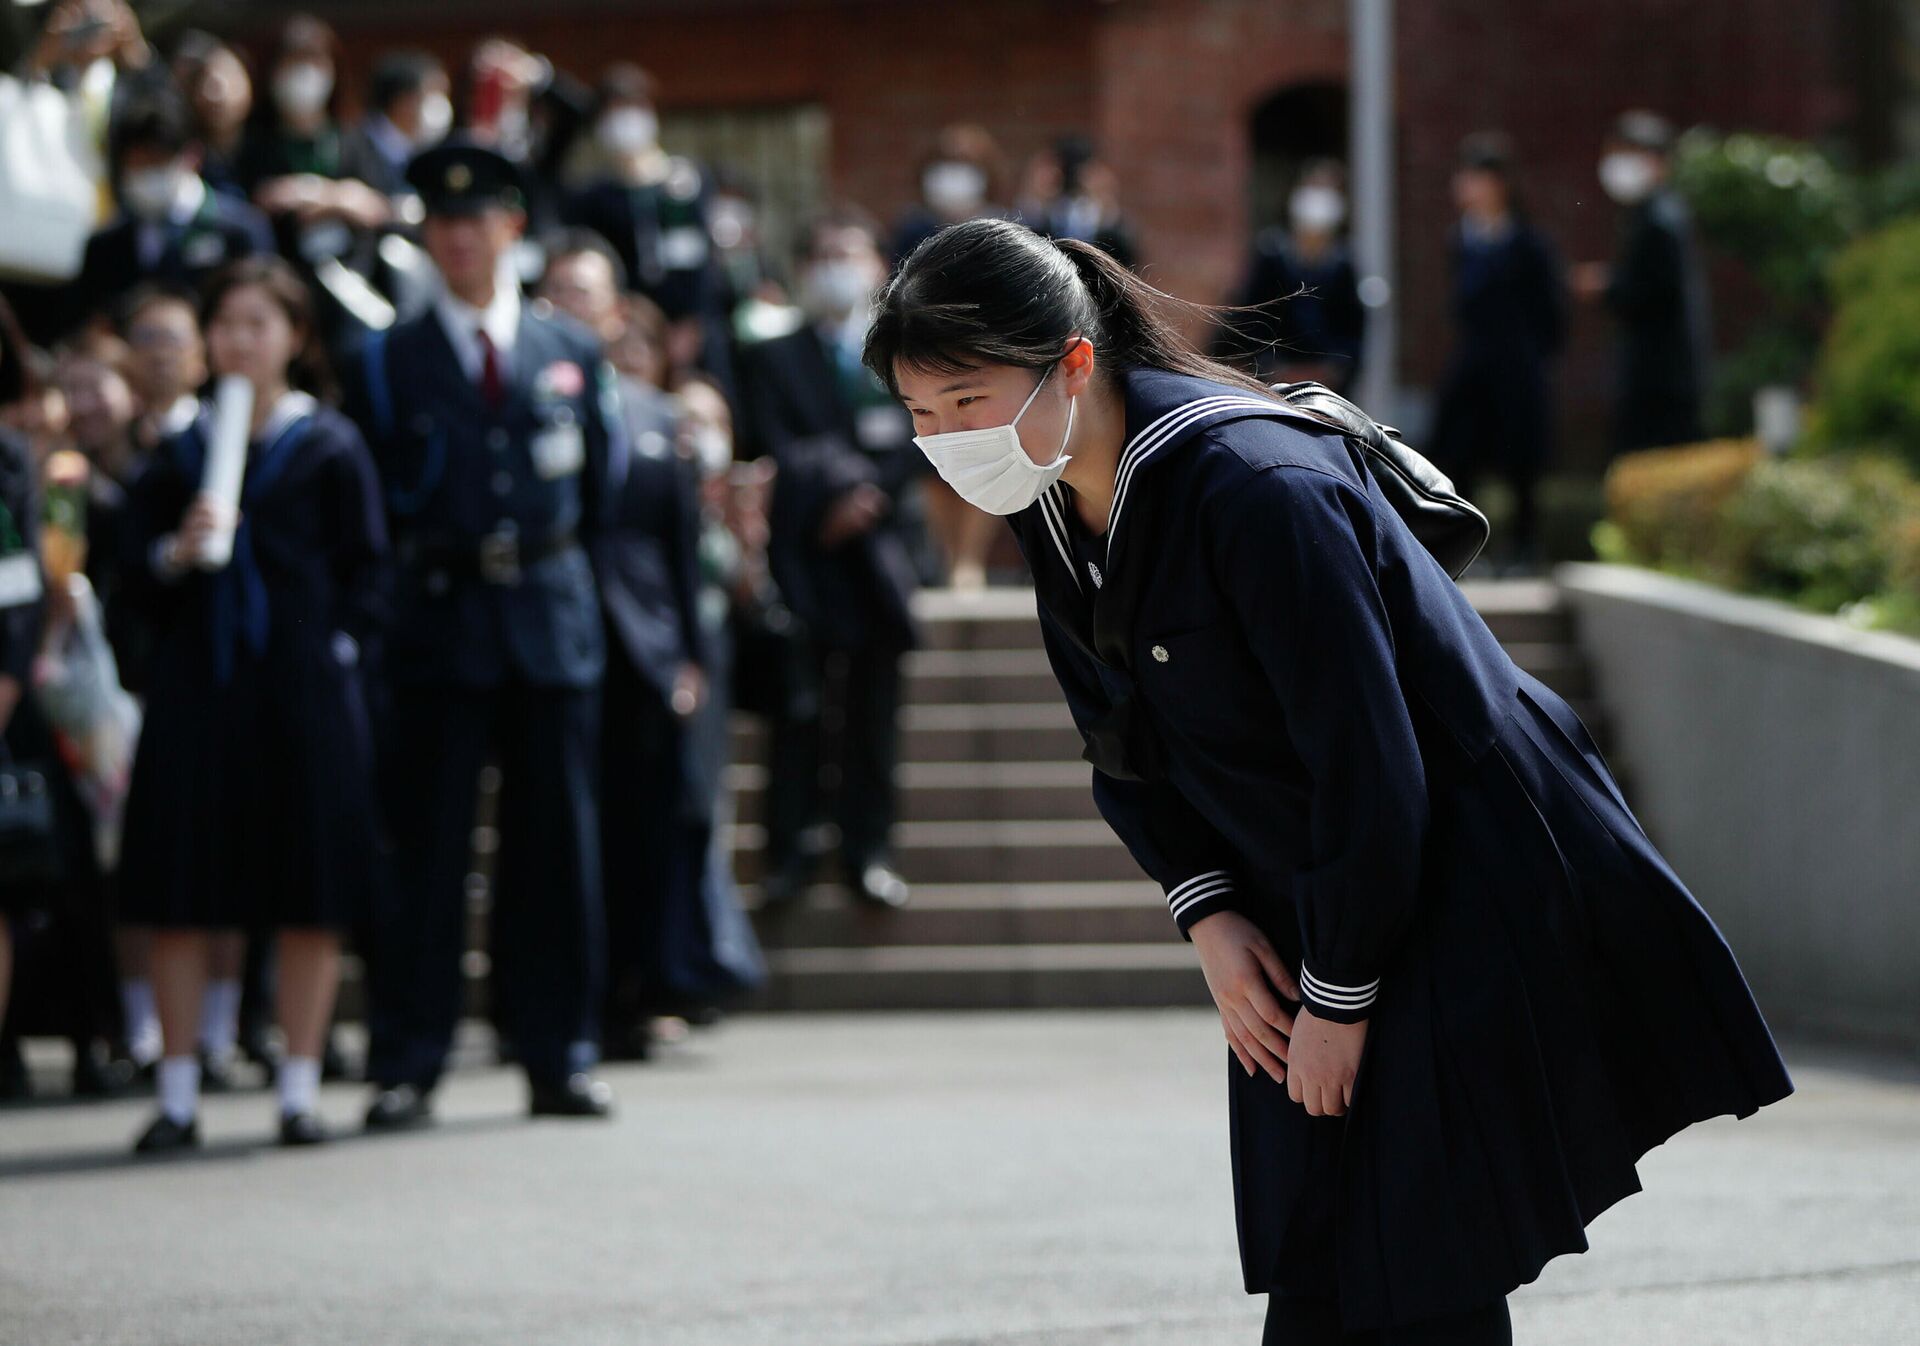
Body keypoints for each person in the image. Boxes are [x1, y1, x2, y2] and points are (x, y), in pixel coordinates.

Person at [864, 218, 1795, 1344]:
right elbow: (1115, 740)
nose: (947, 439)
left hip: (1452, 877)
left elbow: (1373, 760)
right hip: (1307, 889)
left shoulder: (1257, 487)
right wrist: (1206, 910)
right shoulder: (1055, 497)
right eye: (921, 414)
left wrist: (1343, 992)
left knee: (1420, 1259)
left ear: (1072, 361)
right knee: (1328, 1248)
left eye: (967, 401)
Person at [347, 138, 624, 1128]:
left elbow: (600, 490)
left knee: (557, 848)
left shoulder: (570, 350)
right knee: (426, 850)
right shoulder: (386, 358)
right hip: (438, 617)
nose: (459, 236)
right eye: (441, 220)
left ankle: (558, 1049)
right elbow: (377, 501)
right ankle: (410, 1054)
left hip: (548, 613)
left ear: (512, 226)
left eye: (477, 218)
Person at [117, 256, 387, 1152]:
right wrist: (172, 551)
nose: (239, 340)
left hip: (303, 693)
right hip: (201, 688)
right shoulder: (178, 449)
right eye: (224, 324)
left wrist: (336, 652)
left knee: (308, 890)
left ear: (295, 339)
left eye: (258, 324)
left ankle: (300, 1087)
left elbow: (367, 572)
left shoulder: (328, 445)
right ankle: (182, 1091)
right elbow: (130, 583)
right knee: (185, 891)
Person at [736, 206, 924, 912]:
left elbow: (923, 431)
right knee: (798, 713)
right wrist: (834, 495)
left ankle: (867, 851)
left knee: (875, 714)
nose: (835, 266)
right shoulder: (769, 355)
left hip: (881, 557)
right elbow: (771, 441)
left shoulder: (904, 350)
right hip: (805, 553)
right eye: (822, 253)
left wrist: (868, 494)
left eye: (849, 250)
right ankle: (788, 853)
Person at [1426, 133, 1567, 578]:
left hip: (1517, 365)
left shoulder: (1528, 242)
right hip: (1473, 362)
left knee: (1520, 460)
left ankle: (1524, 547)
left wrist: (1530, 357)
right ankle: (1469, 547)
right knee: (1459, 452)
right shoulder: (1462, 240)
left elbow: (1551, 314)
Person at [64, 92, 273, 339]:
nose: (146, 175)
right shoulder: (105, 246)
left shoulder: (242, 230)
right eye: (136, 165)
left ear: (192, 156)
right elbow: (91, 325)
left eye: (157, 162)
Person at [1571, 109, 1712, 454]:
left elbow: (1651, 293)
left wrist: (1607, 287)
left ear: (1655, 161)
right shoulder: (1655, 213)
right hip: (1665, 372)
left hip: (1660, 377)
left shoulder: (1658, 220)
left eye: (1624, 154)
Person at [1213, 158, 1366, 395]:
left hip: (1327, 384)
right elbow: (1250, 317)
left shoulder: (1343, 265)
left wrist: (1332, 369)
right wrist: (1269, 366)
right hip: (1274, 376)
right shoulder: (1272, 255)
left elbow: (1353, 331)